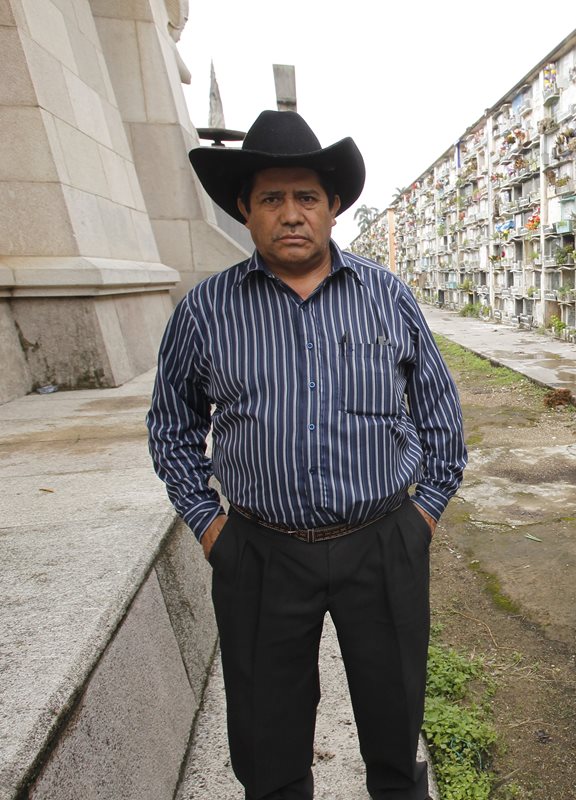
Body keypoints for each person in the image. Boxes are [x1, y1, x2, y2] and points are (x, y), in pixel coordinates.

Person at [147, 110, 466, 800]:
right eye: (271, 198)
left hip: (383, 544)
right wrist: (210, 526)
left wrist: (423, 518)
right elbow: (172, 428)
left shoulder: (387, 299)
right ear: (245, 208)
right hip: (260, 552)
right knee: (267, 742)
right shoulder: (203, 312)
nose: (290, 214)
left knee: (394, 721)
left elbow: (441, 415)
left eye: (306, 198)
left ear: (333, 207)